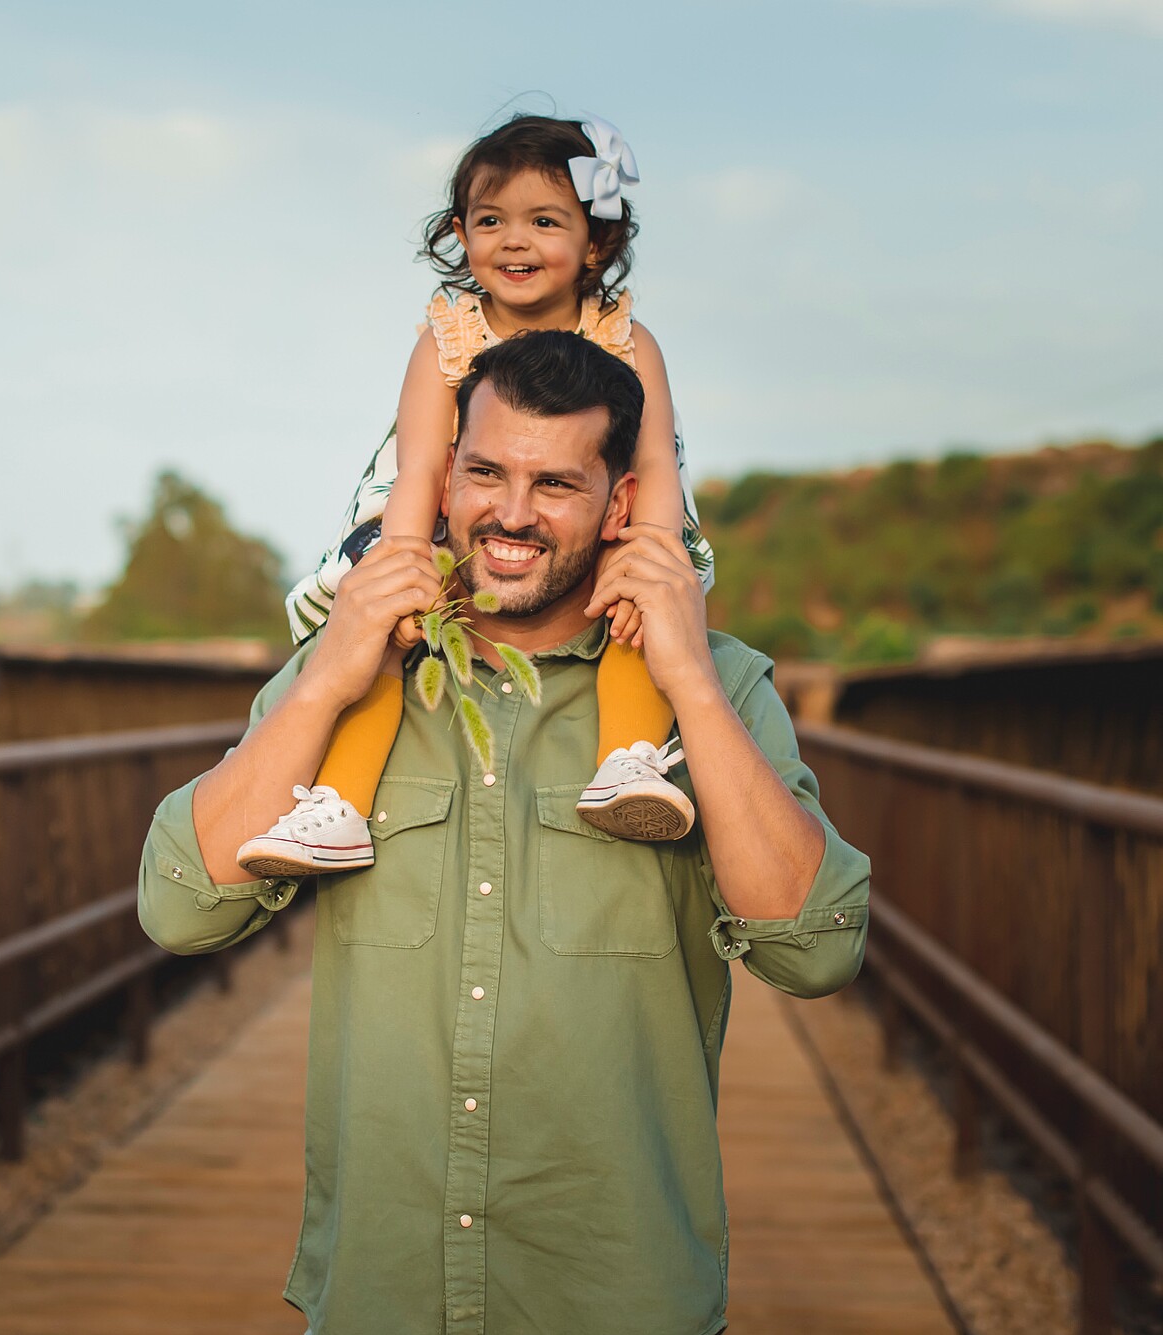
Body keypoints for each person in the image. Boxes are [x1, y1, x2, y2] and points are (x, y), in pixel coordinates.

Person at [139, 331, 870, 1334]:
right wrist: (327, 677)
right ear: (440, 479)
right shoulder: (351, 676)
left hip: (616, 1294)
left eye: (554, 484)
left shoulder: (718, 684)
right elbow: (179, 908)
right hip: (381, 1295)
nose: (510, 514)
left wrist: (688, 680)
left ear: (619, 504)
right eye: (483, 471)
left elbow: (814, 949)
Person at [239, 113, 717, 879]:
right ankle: (337, 804)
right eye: (491, 220)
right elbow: (423, 465)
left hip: (608, 515)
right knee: (390, 636)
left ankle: (629, 761)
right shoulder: (448, 337)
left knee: (637, 615)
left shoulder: (628, 338)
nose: (514, 240)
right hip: (438, 519)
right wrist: (402, 565)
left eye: (545, 221)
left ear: (595, 242)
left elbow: (655, 464)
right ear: (461, 233)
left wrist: (649, 556)